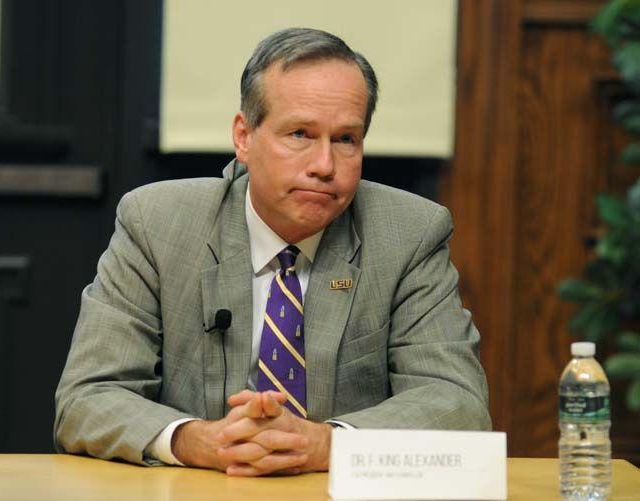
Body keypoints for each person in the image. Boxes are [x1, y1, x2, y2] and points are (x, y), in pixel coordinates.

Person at [54, 27, 490, 476]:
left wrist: (327, 444)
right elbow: (88, 399)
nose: (324, 166)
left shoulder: (408, 234)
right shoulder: (158, 224)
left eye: (345, 140)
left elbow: (457, 403)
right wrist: (197, 440)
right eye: (300, 134)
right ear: (243, 137)